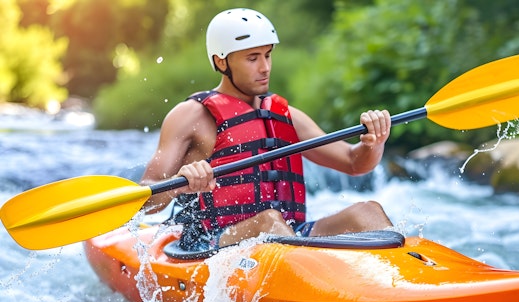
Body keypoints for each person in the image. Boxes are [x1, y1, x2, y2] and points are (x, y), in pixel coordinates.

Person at [140, 8, 393, 251]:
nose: (265, 67)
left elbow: (354, 162)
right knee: (269, 221)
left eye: (267, 55)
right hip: (212, 242)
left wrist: (374, 143)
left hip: (290, 236)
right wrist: (179, 184)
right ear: (221, 61)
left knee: (368, 212)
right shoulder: (190, 115)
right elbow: (146, 202)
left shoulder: (285, 116)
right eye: (253, 58)